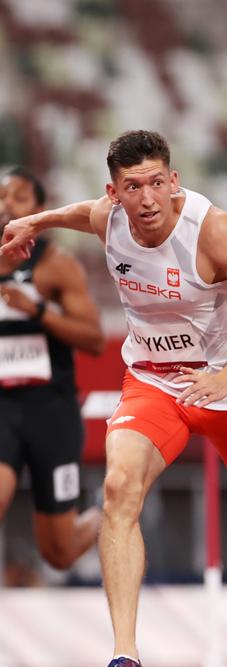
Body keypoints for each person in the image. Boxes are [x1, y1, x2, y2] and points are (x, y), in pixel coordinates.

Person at [0, 130, 227, 667]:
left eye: (157, 183)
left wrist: (225, 378)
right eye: (134, 187)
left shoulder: (213, 230)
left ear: (174, 182)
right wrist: (36, 223)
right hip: (153, 380)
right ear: (116, 192)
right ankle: (125, 654)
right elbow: (83, 213)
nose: (148, 199)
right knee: (120, 487)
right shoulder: (110, 218)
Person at [0, 167, 103, 573]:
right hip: (2, 408)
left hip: (51, 412)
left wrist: (38, 310)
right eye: (1, 196)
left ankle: (106, 512)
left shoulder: (56, 266)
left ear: (38, 212)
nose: (7, 204)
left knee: (58, 554)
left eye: (19, 197)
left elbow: (94, 339)